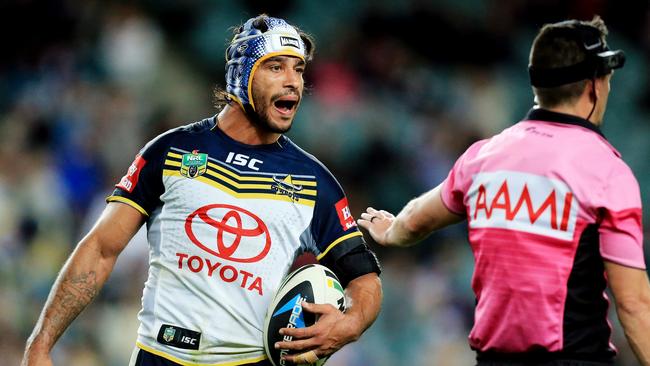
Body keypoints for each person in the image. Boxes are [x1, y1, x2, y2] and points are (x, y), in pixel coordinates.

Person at [22, 14, 382, 366]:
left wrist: (349, 324)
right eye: (276, 67)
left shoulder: (315, 181)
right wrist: (41, 343)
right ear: (243, 75)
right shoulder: (170, 150)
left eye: (299, 69)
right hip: (159, 356)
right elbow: (101, 248)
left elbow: (364, 278)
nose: (293, 82)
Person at [358, 16, 650, 366]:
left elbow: (417, 220)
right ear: (594, 86)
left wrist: (391, 232)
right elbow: (633, 304)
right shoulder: (607, 171)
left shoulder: (483, 156)